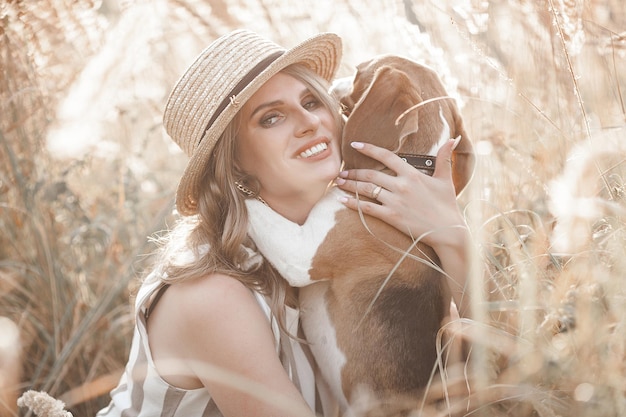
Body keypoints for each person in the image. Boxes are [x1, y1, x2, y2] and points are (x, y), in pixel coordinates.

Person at [96, 29, 470, 417]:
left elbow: (494, 362)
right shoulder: (212, 294)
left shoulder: (342, 247)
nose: (309, 122)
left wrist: (453, 239)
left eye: (312, 101)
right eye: (271, 117)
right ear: (234, 162)